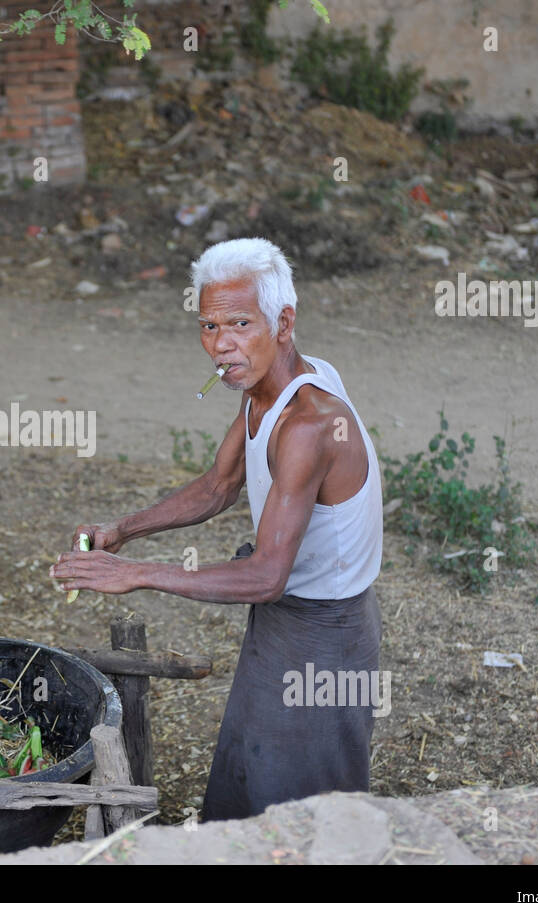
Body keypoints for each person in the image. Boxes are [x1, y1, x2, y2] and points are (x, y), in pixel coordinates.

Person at [49, 237, 384, 821]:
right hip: (282, 623)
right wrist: (122, 530)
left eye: (238, 323)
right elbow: (218, 486)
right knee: (250, 776)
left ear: (284, 323)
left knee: (305, 811)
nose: (220, 344)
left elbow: (265, 576)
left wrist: (134, 575)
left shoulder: (308, 423)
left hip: (324, 637)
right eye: (208, 326)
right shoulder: (265, 389)